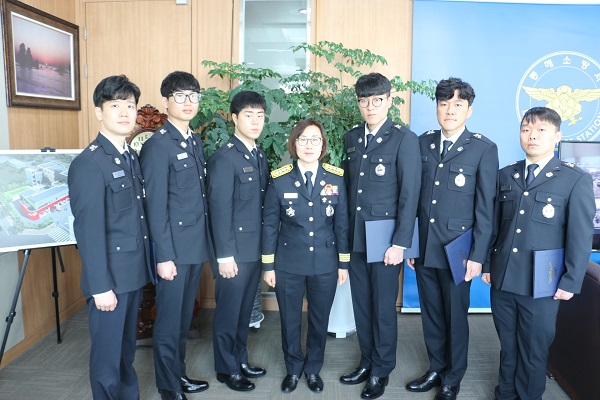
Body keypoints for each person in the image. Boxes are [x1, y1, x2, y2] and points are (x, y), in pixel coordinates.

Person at [482, 106, 595, 400]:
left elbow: (580, 236)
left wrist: (571, 280)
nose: (532, 135)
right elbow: (494, 226)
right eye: (526, 129)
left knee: (534, 349)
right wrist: (487, 264)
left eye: (541, 130)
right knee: (508, 344)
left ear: (557, 136)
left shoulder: (574, 179)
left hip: (542, 283)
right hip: (504, 278)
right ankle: (505, 393)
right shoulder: (505, 175)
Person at [404, 77, 498, 400]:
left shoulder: (483, 149)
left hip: (459, 251)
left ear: (469, 110)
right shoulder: (423, 143)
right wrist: (412, 244)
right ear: (437, 108)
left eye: (458, 104)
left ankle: (452, 378)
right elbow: (413, 199)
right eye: (444, 104)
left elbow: (486, 209)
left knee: (456, 316)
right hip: (426, 246)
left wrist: (479, 255)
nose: (449, 110)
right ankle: (436, 368)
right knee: (430, 312)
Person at [68, 75, 152, 400]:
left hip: (131, 274)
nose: (124, 112)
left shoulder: (129, 156)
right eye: (115, 105)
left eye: (129, 105)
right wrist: (100, 286)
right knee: (107, 359)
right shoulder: (89, 164)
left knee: (125, 353)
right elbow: (88, 232)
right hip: (109, 281)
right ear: (99, 112)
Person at [340, 72, 421, 400]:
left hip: (386, 239)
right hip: (357, 236)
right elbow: (349, 191)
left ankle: (382, 369)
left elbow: (409, 194)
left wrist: (401, 243)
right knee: (361, 304)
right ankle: (367, 360)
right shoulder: (351, 137)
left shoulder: (404, 138)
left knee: (383, 307)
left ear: (389, 100)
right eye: (364, 101)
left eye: (377, 100)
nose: (370, 107)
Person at [262, 119, 350, 394]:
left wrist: (343, 263)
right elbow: (269, 224)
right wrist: (268, 265)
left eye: (315, 139)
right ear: (294, 144)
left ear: (323, 145)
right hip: (288, 263)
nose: (309, 145)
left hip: (325, 262)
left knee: (319, 319)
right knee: (289, 319)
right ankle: (292, 368)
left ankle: (313, 369)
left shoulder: (335, 177)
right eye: (303, 139)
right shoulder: (279, 178)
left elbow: (342, 224)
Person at [139, 71, 211, 400]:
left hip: (194, 248)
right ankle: (168, 386)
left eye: (193, 96)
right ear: (166, 101)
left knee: (183, 319)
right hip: (173, 252)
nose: (188, 102)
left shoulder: (194, 141)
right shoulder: (157, 146)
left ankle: (178, 374)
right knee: (168, 322)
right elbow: (155, 207)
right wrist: (164, 256)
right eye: (180, 96)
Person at [207, 91, 269, 391]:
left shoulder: (259, 155)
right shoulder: (224, 158)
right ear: (234, 118)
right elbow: (219, 210)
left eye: (260, 115)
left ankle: (240, 360)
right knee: (228, 313)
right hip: (232, 254)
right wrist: (224, 255)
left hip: (253, 250)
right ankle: (226, 368)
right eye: (248, 115)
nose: (255, 121)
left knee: (245, 311)